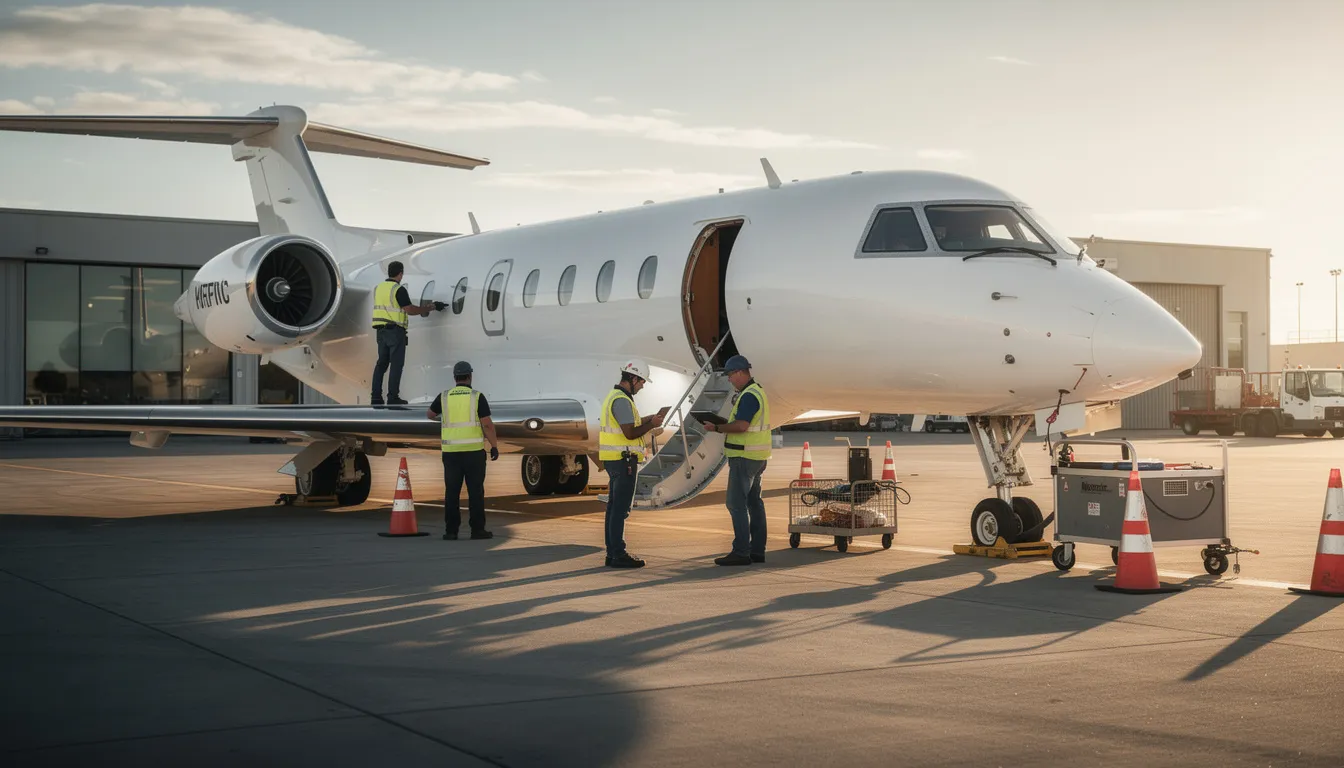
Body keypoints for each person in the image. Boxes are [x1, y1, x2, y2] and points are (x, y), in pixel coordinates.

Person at [598, 359, 670, 568]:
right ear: (634, 378)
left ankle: (612, 553)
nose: (643, 385)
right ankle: (618, 554)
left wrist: (649, 419)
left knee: (614, 508)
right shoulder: (621, 400)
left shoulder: (618, 397)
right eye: (642, 382)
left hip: (617, 460)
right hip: (623, 461)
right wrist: (651, 426)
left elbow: (631, 424)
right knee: (620, 510)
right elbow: (629, 433)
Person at [700, 355, 770, 565]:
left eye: (731, 375)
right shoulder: (757, 391)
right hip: (757, 456)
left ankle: (741, 552)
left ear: (740, 373)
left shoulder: (748, 395)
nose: (729, 380)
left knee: (736, 504)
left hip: (744, 456)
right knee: (754, 503)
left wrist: (717, 428)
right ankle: (757, 550)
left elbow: (741, 426)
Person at [427, 361, 499, 540]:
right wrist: (494, 446)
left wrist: (445, 419)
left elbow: (430, 414)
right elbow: (487, 425)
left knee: (452, 492)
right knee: (475, 492)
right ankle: (477, 530)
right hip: (474, 453)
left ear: (454, 378)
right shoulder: (477, 397)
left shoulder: (444, 397)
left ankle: (451, 531)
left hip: (451, 453)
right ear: (470, 376)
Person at [371, 260, 441, 406]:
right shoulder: (398, 289)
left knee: (381, 364)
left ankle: (376, 397)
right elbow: (410, 310)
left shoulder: (379, 288)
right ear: (401, 273)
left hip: (380, 331)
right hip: (395, 332)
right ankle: (392, 397)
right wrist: (431, 307)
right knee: (396, 365)